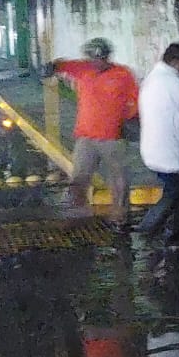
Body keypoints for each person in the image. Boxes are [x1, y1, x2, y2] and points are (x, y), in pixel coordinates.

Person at [54, 38, 139, 230]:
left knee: (118, 179)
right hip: (85, 137)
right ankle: (76, 215)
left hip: (113, 137)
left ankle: (119, 217)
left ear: (107, 57)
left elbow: (135, 101)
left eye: (98, 58)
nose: (94, 62)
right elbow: (62, 65)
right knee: (79, 177)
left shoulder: (123, 74)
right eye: (91, 58)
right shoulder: (83, 69)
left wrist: (124, 119)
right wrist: (52, 67)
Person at [137, 42, 179, 245]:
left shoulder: (153, 78)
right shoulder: (173, 83)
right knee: (173, 192)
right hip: (170, 150)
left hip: (156, 147)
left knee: (174, 190)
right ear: (177, 62)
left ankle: (174, 229)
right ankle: (147, 227)